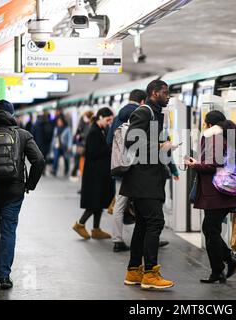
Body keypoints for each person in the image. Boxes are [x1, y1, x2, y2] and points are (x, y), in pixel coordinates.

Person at [121, 80, 174, 289]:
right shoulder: (145, 112)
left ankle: (134, 271)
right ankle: (151, 273)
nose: (168, 96)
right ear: (154, 93)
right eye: (165, 92)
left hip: (146, 178)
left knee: (143, 225)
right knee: (155, 223)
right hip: (144, 179)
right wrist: (160, 145)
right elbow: (132, 141)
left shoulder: (154, 113)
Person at [108, 89, 171, 252]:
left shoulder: (117, 117)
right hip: (139, 168)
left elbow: (110, 140)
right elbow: (137, 141)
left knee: (120, 203)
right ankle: (148, 247)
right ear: (144, 100)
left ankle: (117, 239)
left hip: (122, 165)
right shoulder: (144, 113)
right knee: (147, 214)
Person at [0, 100, 45, 290]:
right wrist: (29, 184)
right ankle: (4, 275)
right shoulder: (22, 134)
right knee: (8, 230)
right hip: (14, 190)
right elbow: (38, 160)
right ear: (11, 114)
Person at [185, 110, 236, 284]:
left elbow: (212, 165)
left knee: (210, 230)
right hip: (222, 193)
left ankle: (224, 266)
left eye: (204, 123)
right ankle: (223, 266)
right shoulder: (225, 137)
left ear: (209, 125)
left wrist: (195, 164)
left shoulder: (215, 139)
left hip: (217, 193)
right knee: (210, 229)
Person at [72, 107, 115, 239]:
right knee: (94, 203)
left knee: (100, 202)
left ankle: (96, 229)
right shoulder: (94, 132)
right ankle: (80, 224)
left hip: (100, 173)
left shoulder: (102, 130)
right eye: (108, 120)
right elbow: (93, 153)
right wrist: (109, 148)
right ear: (101, 116)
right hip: (94, 174)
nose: (109, 122)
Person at [71, 110, 94, 180]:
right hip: (82, 144)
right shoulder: (84, 122)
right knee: (79, 159)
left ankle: (76, 172)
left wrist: (80, 136)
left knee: (80, 159)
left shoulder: (89, 124)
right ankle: (77, 172)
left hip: (83, 144)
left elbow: (84, 134)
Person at [31, 111, 54, 176]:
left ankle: (39, 170)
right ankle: (43, 170)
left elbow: (32, 134)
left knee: (38, 158)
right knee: (45, 158)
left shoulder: (36, 124)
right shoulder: (48, 123)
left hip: (38, 144)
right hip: (46, 144)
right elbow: (50, 134)